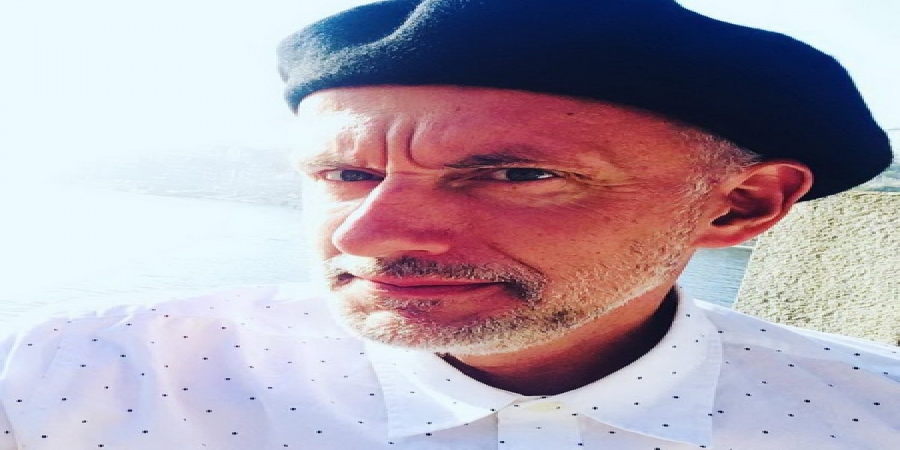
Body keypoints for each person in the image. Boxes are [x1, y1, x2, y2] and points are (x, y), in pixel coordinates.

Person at [1, 0, 897, 448]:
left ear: (739, 206)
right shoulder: (67, 378)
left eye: (515, 174)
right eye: (345, 173)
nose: (367, 235)